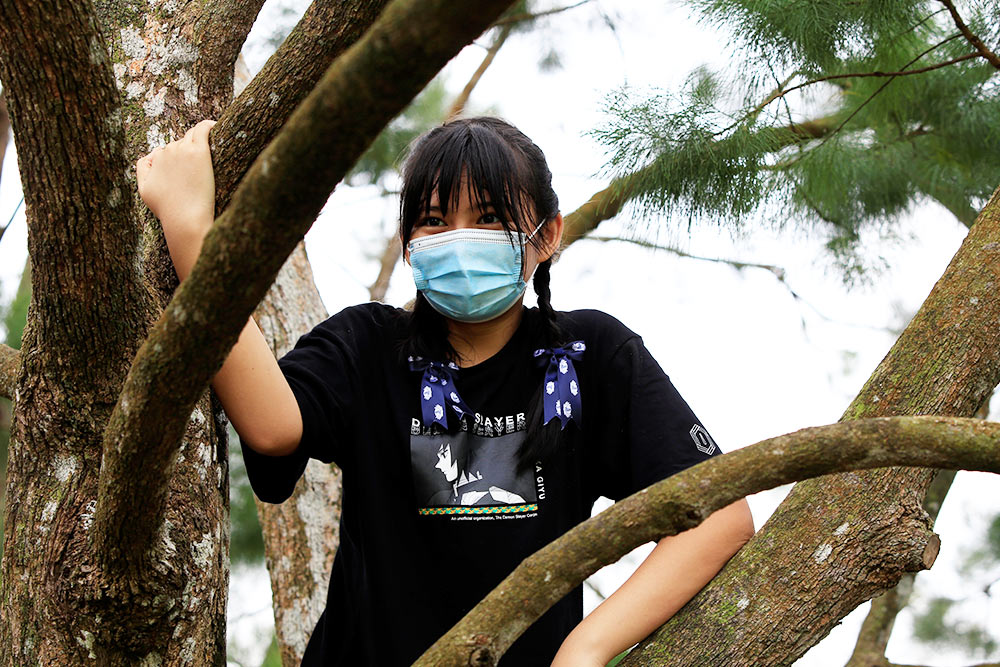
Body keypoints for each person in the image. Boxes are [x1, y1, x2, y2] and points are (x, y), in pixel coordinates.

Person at [136, 116, 756, 666]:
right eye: (434, 221)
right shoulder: (369, 346)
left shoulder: (588, 357)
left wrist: (586, 649)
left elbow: (720, 514)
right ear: (410, 245)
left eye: (488, 218)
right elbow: (272, 425)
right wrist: (192, 235)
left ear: (547, 235)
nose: (460, 239)